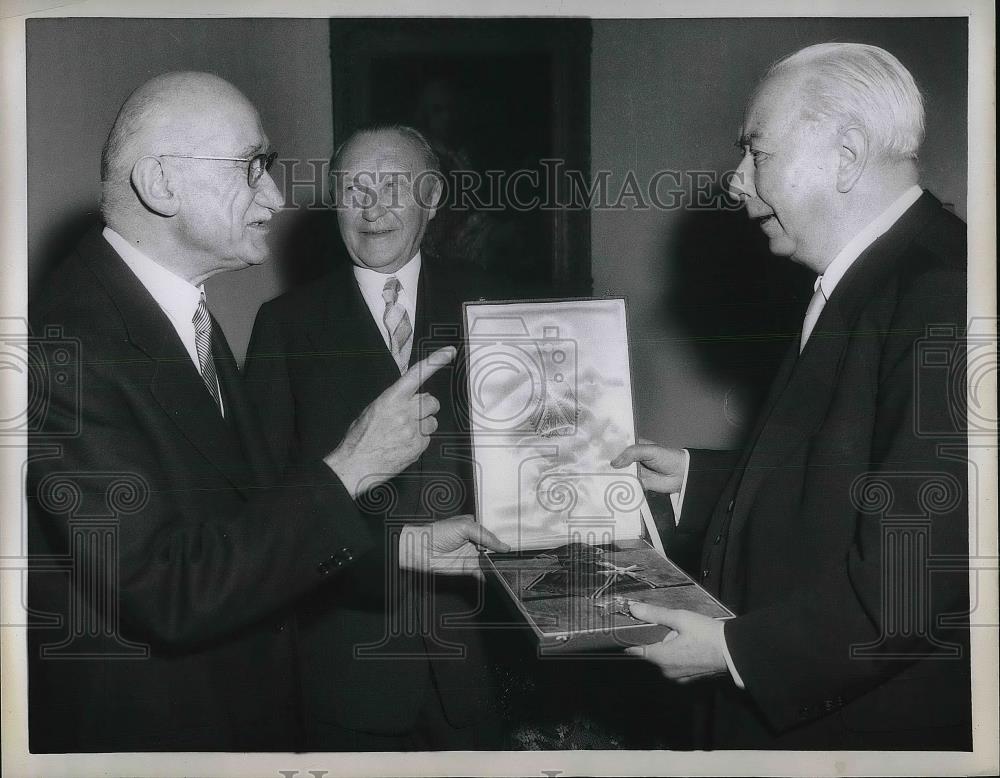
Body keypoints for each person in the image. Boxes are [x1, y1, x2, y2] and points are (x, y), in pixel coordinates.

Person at [26, 74, 507, 753]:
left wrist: (409, 547)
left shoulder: (185, 319)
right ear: (163, 184)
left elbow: (245, 526)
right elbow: (164, 590)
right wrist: (350, 467)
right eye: (252, 167)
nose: (278, 197)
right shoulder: (65, 348)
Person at [612, 43, 970, 749]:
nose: (736, 180)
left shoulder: (943, 296)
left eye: (757, 153)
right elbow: (853, 481)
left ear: (846, 154)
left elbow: (915, 581)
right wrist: (696, 477)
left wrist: (733, 652)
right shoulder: (874, 279)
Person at [243, 124, 508, 750]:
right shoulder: (286, 325)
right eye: (354, 188)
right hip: (345, 664)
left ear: (433, 197)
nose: (373, 206)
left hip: (480, 654)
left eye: (393, 185)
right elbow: (267, 503)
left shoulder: (496, 309)